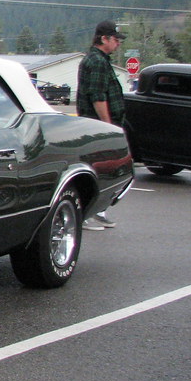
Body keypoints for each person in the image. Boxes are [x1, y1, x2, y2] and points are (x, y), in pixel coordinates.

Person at [76, 20, 126, 231]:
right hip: (96, 125)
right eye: (115, 39)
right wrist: (107, 127)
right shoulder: (96, 61)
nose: (118, 44)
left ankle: (98, 211)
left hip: (98, 124)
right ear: (103, 38)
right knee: (97, 169)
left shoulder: (101, 60)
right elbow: (98, 97)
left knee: (105, 170)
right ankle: (87, 214)